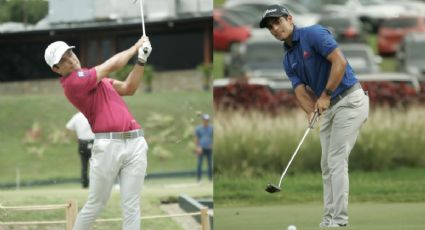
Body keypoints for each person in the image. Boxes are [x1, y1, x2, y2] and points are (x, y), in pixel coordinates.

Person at [259, 5, 369, 228]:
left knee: (336, 159)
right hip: (328, 108)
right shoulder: (288, 59)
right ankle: (328, 219)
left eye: (278, 22)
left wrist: (326, 95)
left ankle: (338, 221)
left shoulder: (313, 34)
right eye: (270, 27)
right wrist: (310, 111)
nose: (275, 28)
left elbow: (340, 62)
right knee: (326, 164)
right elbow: (299, 90)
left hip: (350, 100)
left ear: (290, 19)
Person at [44, 36, 152, 230]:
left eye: (70, 53)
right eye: (63, 60)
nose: (70, 59)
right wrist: (136, 47)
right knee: (96, 204)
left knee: (132, 205)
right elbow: (112, 65)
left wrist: (141, 61)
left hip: (135, 141)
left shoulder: (93, 77)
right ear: (56, 69)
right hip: (108, 146)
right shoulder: (73, 84)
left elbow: (129, 88)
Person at [66, 112, 95, 188]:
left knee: (84, 165)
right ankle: (95, 183)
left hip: (82, 142)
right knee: (96, 164)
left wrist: (75, 137)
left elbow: (68, 127)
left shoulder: (77, 116)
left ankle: (85, 184)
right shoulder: (93, 114)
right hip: (94, 142)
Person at [194, 114, 213, 182]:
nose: (206, 121)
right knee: (199, 164)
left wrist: (212, 145)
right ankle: (199, 179)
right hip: (201, 148)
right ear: (203, 120)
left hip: (209, 148)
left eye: (207, 120)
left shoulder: (212, 128)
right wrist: (197, 147)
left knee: (210, 164)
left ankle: (210, 178)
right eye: (205, 120)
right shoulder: (198, 128)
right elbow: (196, 138)